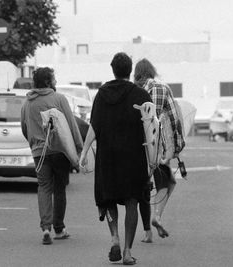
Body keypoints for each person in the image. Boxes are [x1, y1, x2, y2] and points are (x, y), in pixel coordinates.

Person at [79, 52, 151, 265]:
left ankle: (114, 238)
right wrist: (153, 159)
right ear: (130, 71)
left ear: (113, 69)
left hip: (107, 157)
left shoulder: (101, 94)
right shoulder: (140, 95)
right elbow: (151, 130)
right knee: (132, 201)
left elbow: (94, 126)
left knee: (108, 198)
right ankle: (127, 251)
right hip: (133, 157)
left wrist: (84, 152)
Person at [20, 67, 83, 245]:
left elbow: (24, 126)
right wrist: (78, 149)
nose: (56, 81)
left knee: (44, 187)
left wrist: (34, 143)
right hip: (59, 151)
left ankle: (45, 228)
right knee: (59, 188)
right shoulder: (58, 99)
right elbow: (71, 125)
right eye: (54, 78)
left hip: (39, 153)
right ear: (48, 81)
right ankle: (59, 228)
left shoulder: (28, 102)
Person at [134, 58, 184, 241]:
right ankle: (157, 216)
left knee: (143, 187)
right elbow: (174, 118)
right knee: (166, 182)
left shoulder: (134, 91)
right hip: (159, 146)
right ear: (152, 71)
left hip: (138, 147)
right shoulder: (163, 88)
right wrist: (177, 147)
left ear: (136, 74)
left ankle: (147, 232)